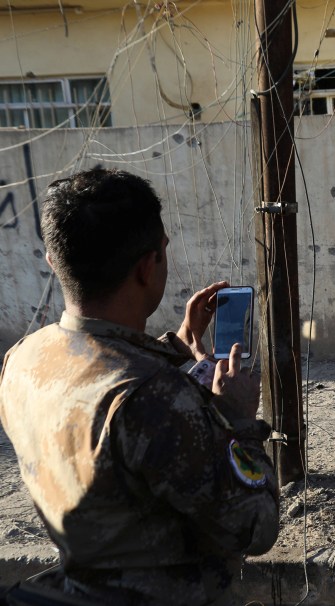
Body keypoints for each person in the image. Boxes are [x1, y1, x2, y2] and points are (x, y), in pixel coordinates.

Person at [0, 169, 279, 605]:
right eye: (163, 252)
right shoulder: (156, 398)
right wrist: (238, 421)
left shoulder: (22, 360)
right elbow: (255, 526)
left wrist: (178, 344)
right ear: (148, 268)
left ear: (54, 261)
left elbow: (98, 370)